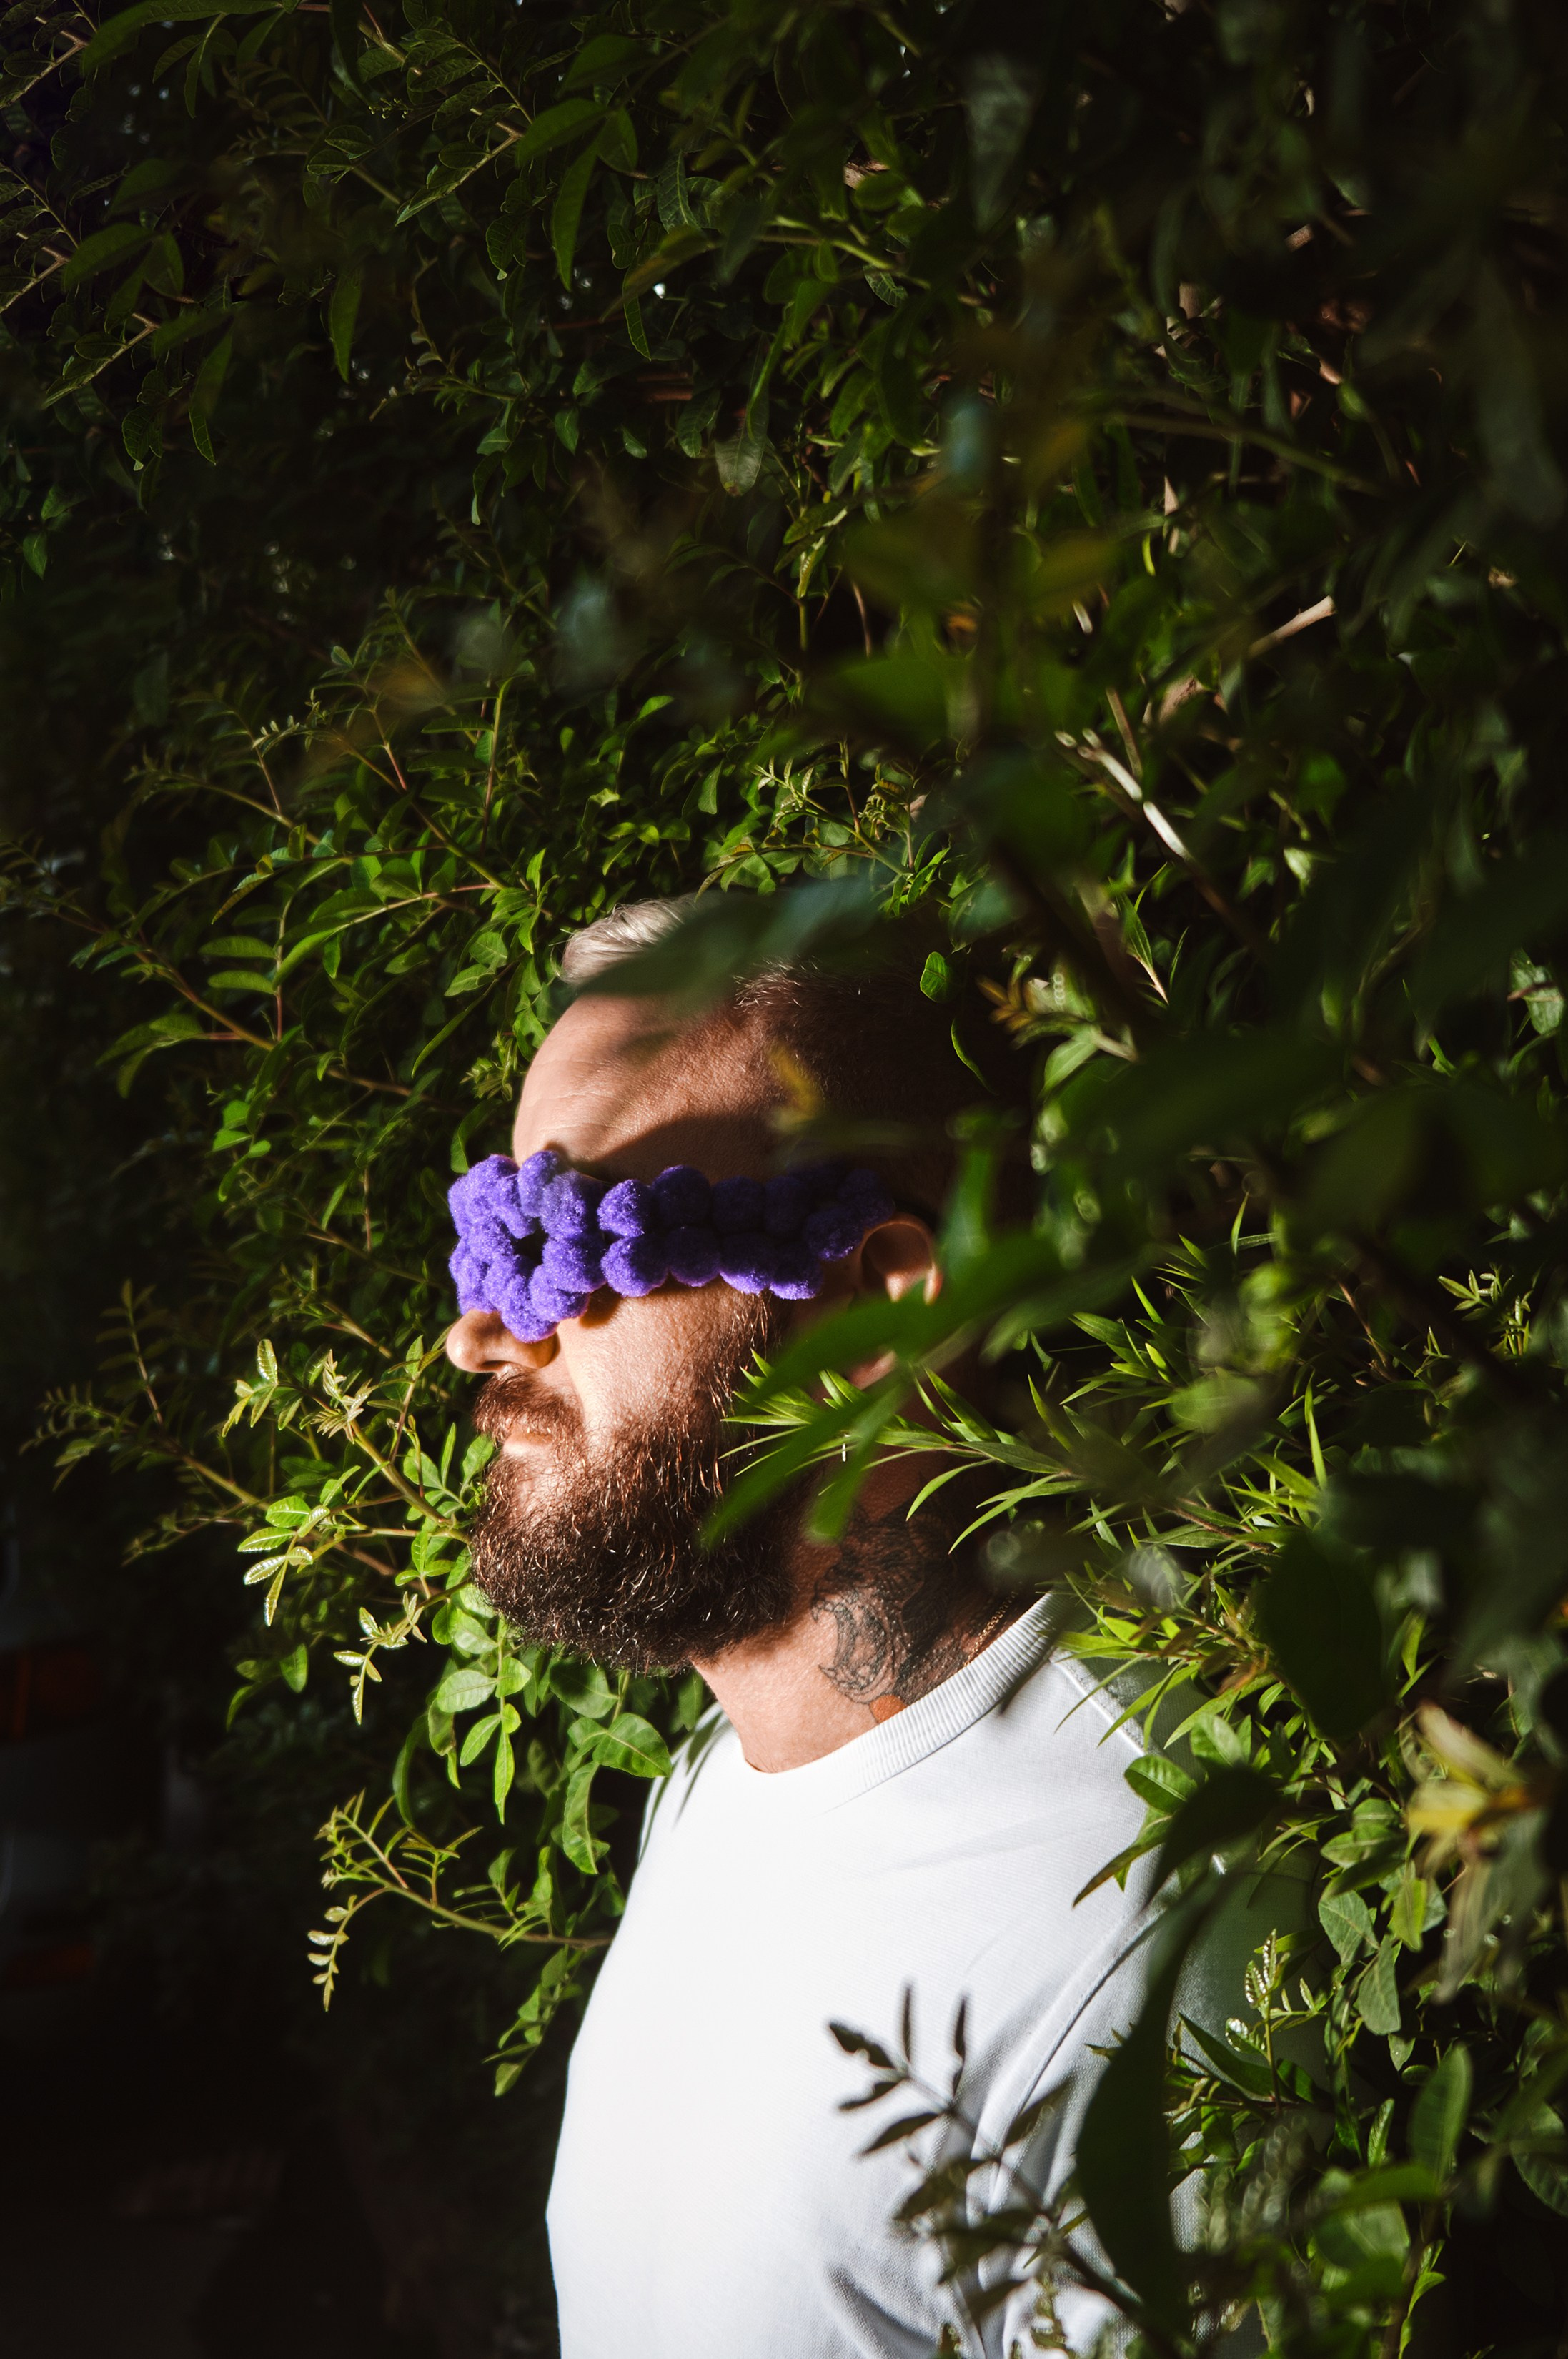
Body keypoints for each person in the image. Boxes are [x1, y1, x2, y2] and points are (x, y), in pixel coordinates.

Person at [442, 900, 1179, 2358]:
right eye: (486, 1241)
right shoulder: (711, 1795)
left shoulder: (1124, 1927)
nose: (482, 1332)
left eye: (581, 1236)